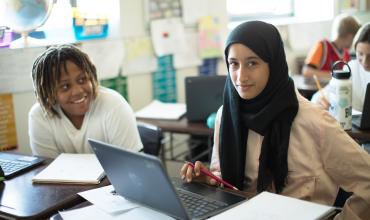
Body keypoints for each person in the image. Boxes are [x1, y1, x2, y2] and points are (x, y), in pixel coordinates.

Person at [180, 21, 370, 219]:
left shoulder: (315, 122)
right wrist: (208, 181)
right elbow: (225, 179)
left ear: (274, 64)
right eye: (234, 64)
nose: (241, 76)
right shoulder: (226, 115)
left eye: (252, 63)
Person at [29, 44, 143, 158]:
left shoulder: (114, 105)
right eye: (65, 86)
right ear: (48, 92)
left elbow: (130, 167)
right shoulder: (39, 115)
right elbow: (48, 170)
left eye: (82, 79)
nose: (78, 91)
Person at [312, 22, 370, 111]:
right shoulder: (352, 68)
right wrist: (321, 99)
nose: (365, 62)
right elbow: (329, 92)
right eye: (360, 54)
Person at [302, 14, 360, 80]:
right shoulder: (322, 46)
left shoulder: (346, 54)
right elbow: (306, 72)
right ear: (350, 36)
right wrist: (336, 75)